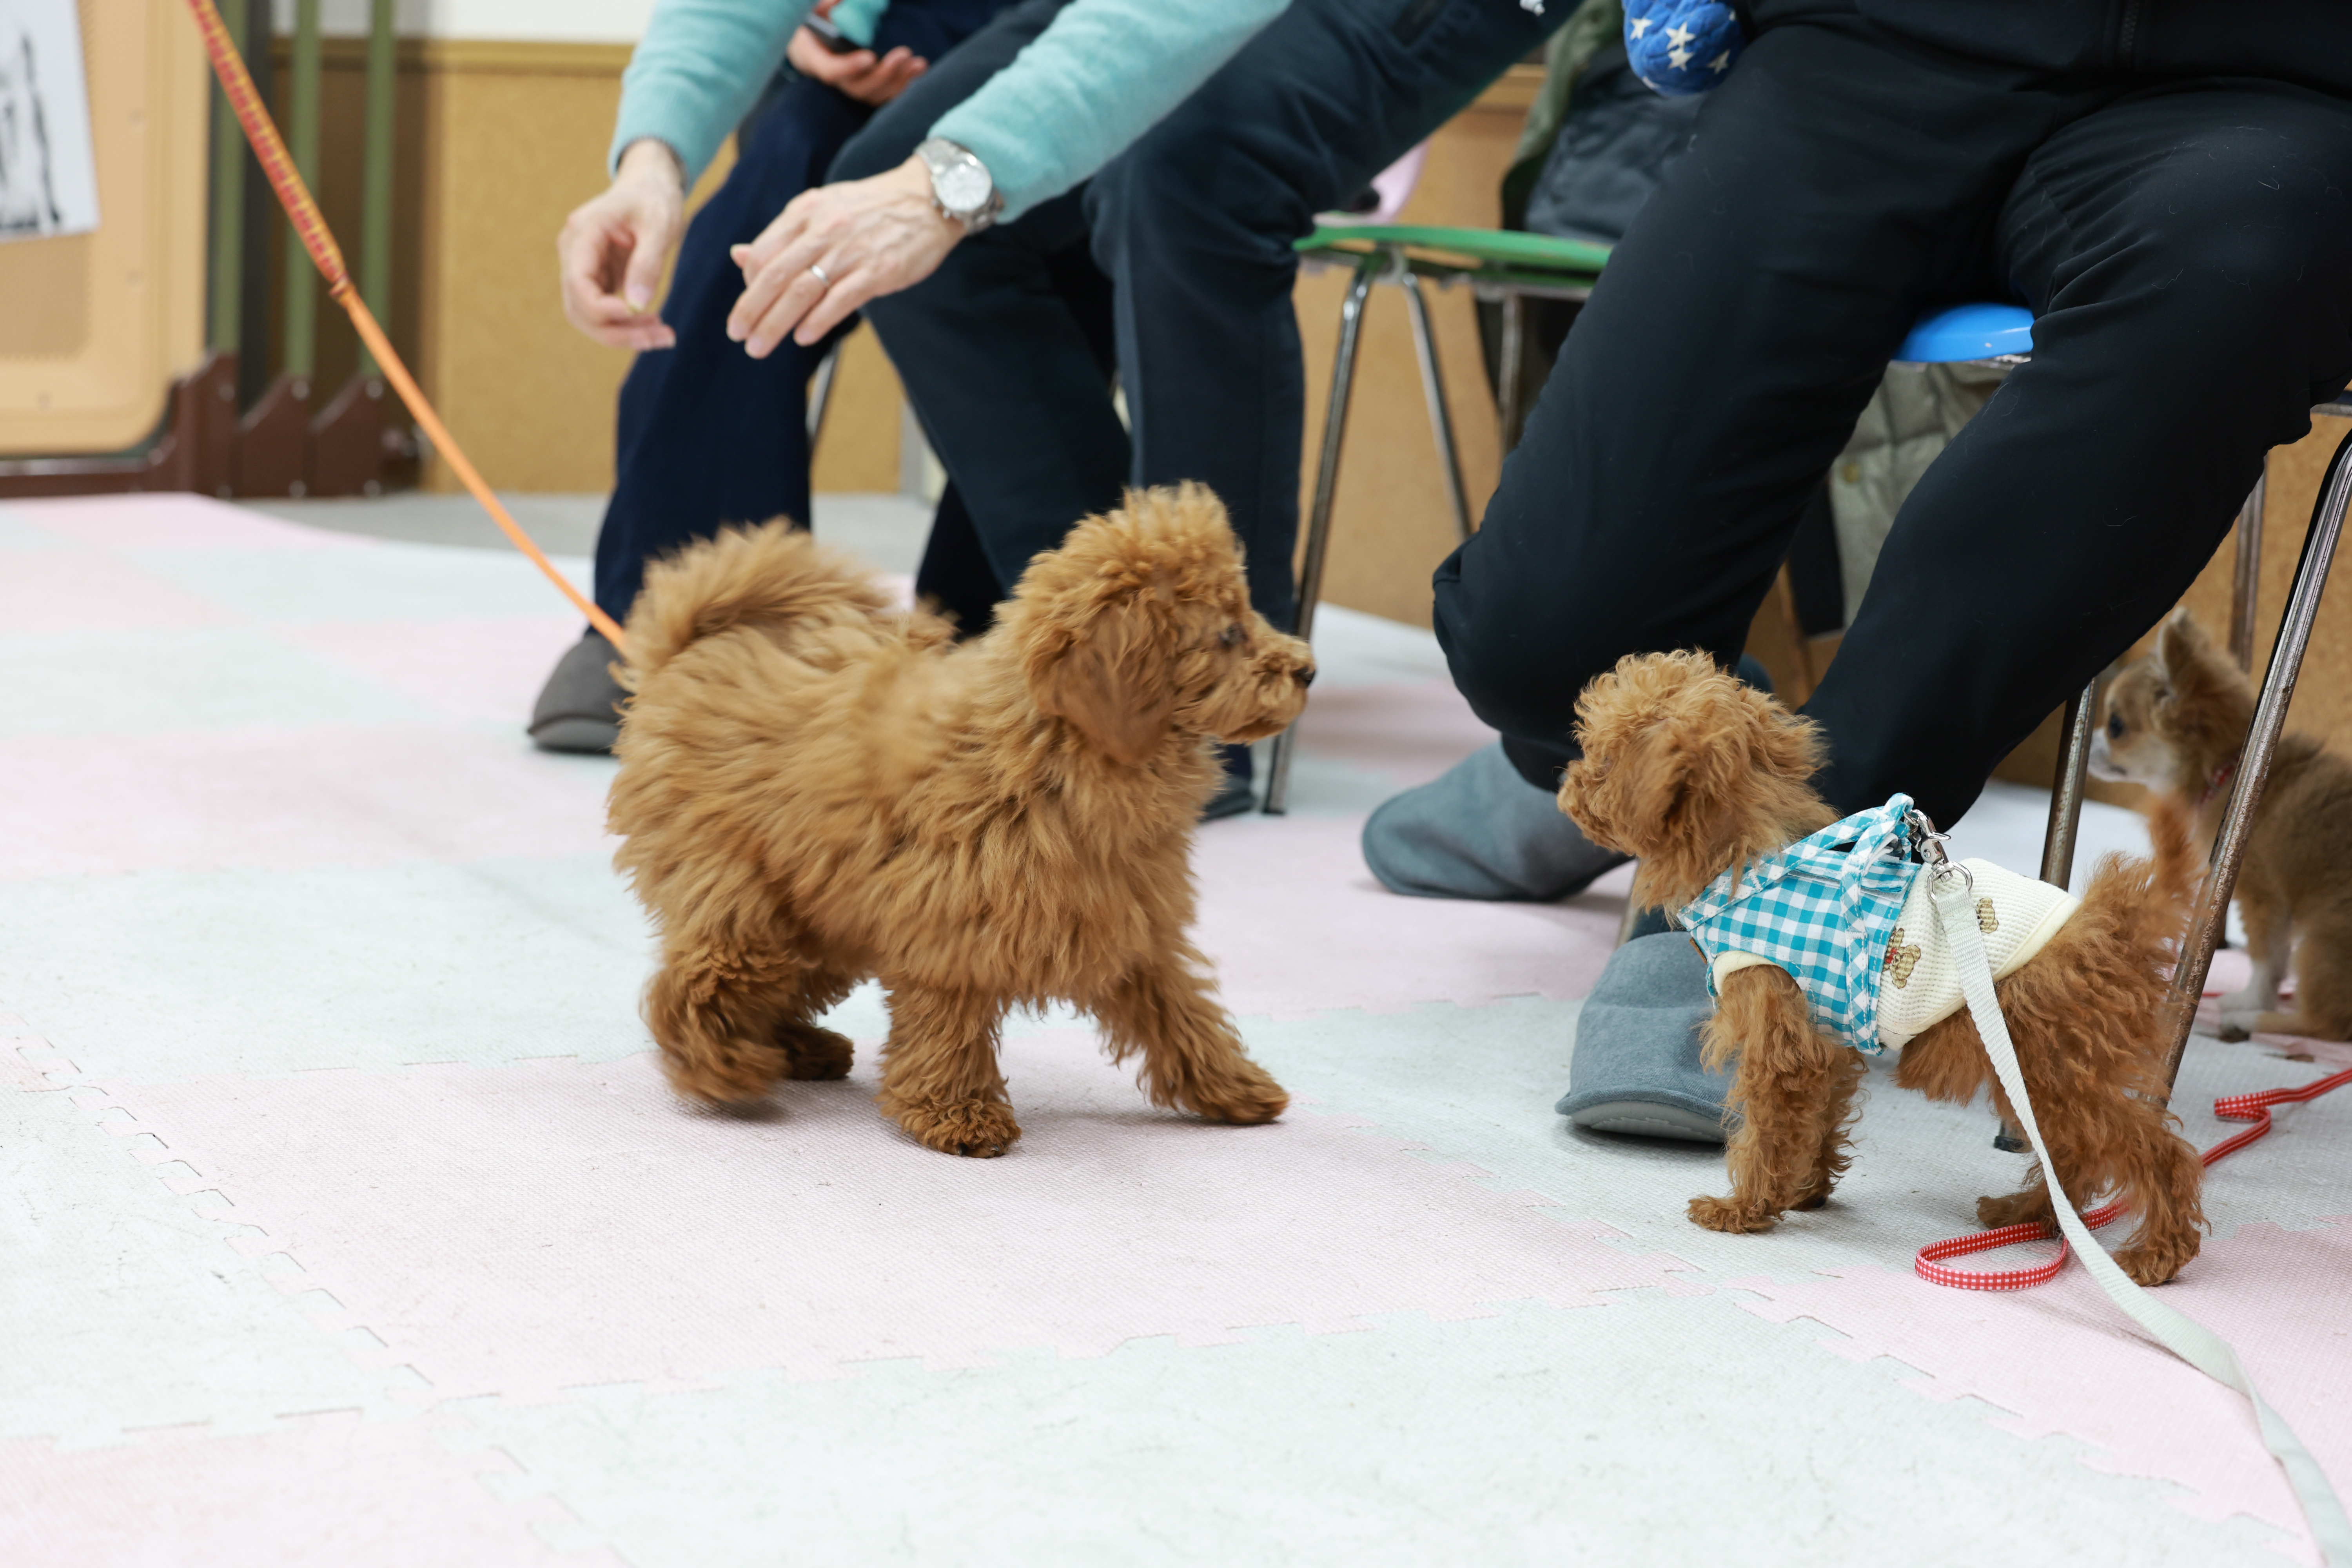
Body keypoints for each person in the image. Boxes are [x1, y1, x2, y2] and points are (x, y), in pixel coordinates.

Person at [535, 0, 1007, 753]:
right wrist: (652, 162)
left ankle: (985, 622)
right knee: (774, 183)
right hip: (879, 49)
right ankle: (679, 610)